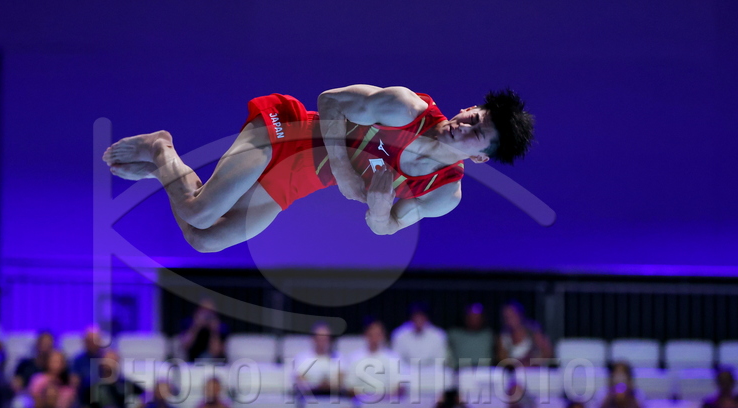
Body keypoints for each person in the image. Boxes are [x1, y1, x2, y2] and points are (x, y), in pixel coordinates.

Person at [103, 85, 534, 252]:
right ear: (469, 106)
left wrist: (379, 208)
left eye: (477, 134)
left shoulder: (443, 193)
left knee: (204, 239)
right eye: (473, 116)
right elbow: (329, 101)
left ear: (480, 157)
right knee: (199, 211)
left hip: (299, 181)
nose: (465, 126)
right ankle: (160, 147)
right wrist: (345, 173)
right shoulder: (405, 108)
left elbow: (386, 227)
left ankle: (164, 171)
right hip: (285, 133)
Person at [345, 319, 404, 399]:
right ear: (365, 335)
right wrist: (367, 398)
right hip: (361, 401)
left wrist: (383, 399)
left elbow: (399, 386)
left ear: (383, 336)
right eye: (371, 335)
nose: (374, 338)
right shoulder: (354, 358)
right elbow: (349, 387)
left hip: (387, 402)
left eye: (377, 335)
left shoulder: (393, 357)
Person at [495, 301, 553, 366]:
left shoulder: (534, 332)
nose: (509, 320)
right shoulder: (503, 337)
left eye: (512, 315)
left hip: (535, 370)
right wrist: (517, 364)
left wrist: (531, 361)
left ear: (520, 315)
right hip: (514, 370)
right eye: (506, 317)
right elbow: (502, 360)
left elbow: (547, 353)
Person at [293, 322, 343, 397]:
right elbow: (300, 379)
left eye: (325, 338)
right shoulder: (302, 357)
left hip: (333, 395)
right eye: (319, 338)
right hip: (309, 396)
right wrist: (318, 385)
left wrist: (327, 385)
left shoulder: (338, 356)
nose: (322, 341)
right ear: (313, 338)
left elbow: (340, 379)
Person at [447, 303, 495, 369]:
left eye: (477, 317)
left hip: (484, 372)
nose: (474, 319)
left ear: (483, 318)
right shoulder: (454, 334)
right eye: (471, 316)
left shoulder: (489, 335)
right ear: (465, 317)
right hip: (461, 371)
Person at [12, 330, 55, 395]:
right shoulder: (25, 364)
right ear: (37, 345)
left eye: (48, 344)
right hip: (27, 396)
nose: (45, 347)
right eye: (43, 343)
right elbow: (16, 385)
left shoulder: (55, 368)